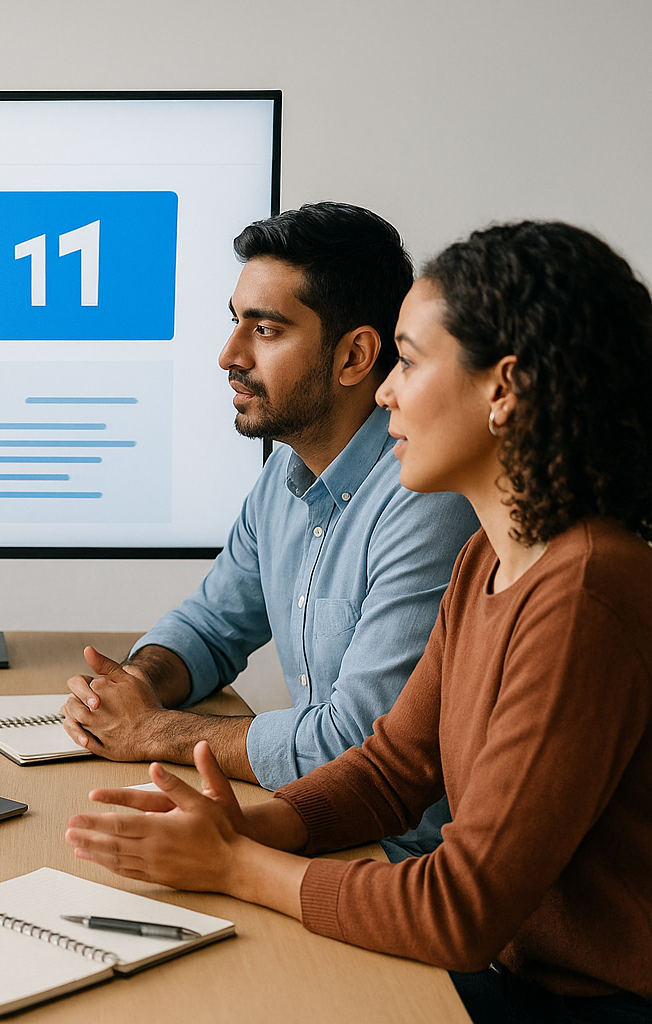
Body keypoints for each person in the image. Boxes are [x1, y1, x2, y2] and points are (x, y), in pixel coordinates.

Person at [65, 221, 652, 1021]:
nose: (384, 392)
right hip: (515, 970)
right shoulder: (489, 560)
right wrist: (244, 824)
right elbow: (388, 771)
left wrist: (237, 864)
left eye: (407, 362)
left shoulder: (585, 593)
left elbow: (459, 908)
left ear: (502, 390)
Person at [61, 203, 477, 859]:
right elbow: (209, 626)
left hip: (403, 861)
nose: (229, 355)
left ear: (355, 356)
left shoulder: (428, 500)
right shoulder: (288, 473)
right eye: (235, 323)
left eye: (267, 330)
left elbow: (355, 744)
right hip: (320, 832)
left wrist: (159, 731)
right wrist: (139, 682)